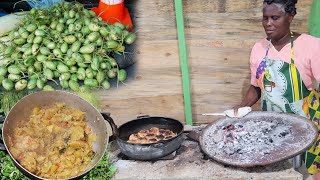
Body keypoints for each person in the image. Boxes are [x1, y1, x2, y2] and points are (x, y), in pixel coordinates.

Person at [233, 0, 320, 177]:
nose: (268, 24)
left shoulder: (311, 45)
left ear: (290, 16)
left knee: (306, 171)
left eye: (275, 17)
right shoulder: (259, 48)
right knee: (278, 172)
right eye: (265, 18)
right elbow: (256, 87)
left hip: (306, 125)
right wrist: (243, 105)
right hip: (272, 127)